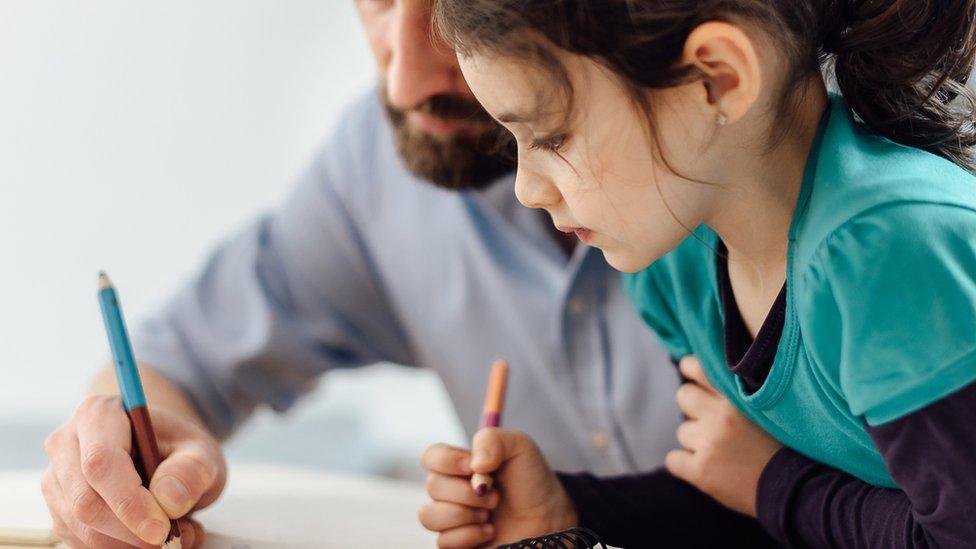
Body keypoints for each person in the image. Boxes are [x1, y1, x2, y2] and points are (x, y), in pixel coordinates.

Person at [38, 1, 755, 547]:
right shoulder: (378, 168)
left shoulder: (787, 177)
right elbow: (172, 364)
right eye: (380, 2)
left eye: (453, 11)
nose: (406, 79)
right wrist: (112, 465)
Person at [421, 0, 976, 547]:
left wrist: (771, 483)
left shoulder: (887, 254)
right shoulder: (673, 259)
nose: (525, 189)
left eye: (552, 135)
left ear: (718, 78)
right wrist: (568, 508)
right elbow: (739, 490)